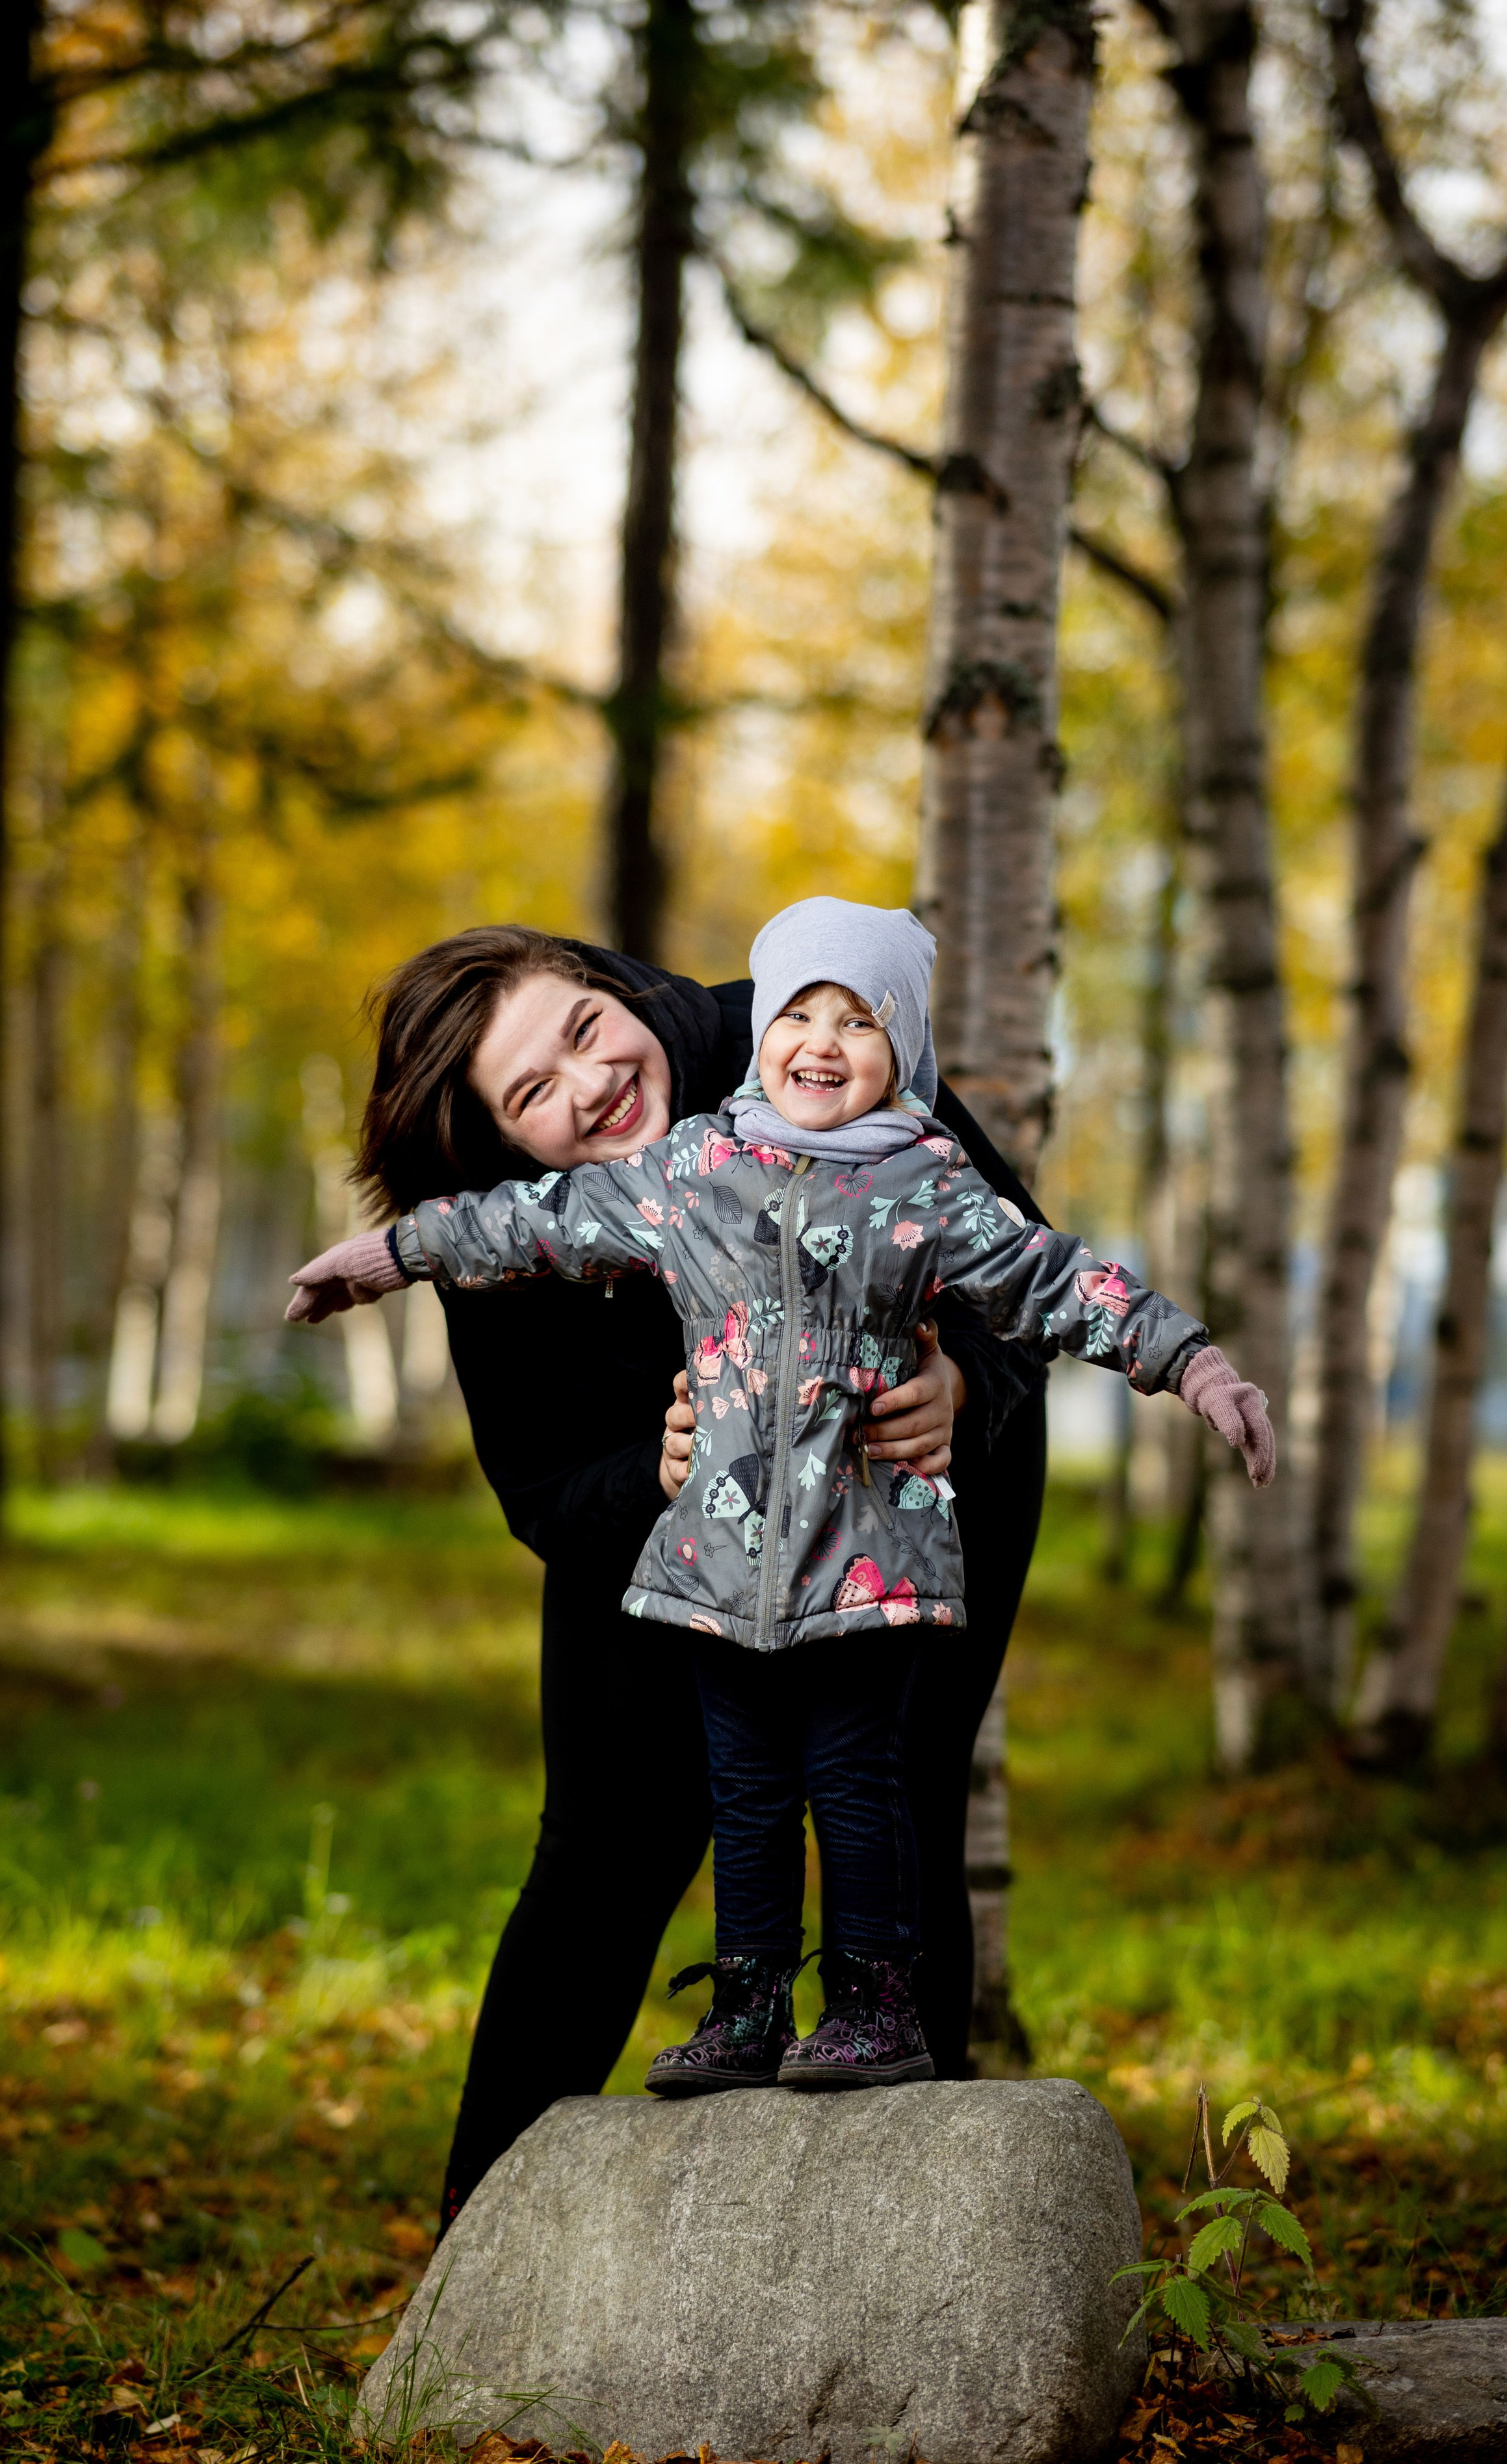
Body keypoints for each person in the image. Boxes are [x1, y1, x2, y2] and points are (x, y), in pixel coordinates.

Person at [289, 900, 1274, 2114]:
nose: (591, 1086)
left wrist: (957, 1384)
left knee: (892, 1794)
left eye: (589, 1029)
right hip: (677, 1526)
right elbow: (545, 1493)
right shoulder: (506, 1230)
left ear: (617, 988)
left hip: (911, 1480)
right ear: (500, 1143)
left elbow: (1022, 1264)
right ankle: (479, 2236)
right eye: (534, 1094)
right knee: (607, 1846)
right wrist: (652, 1475)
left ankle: (922, 2197)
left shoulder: (805, 1026)